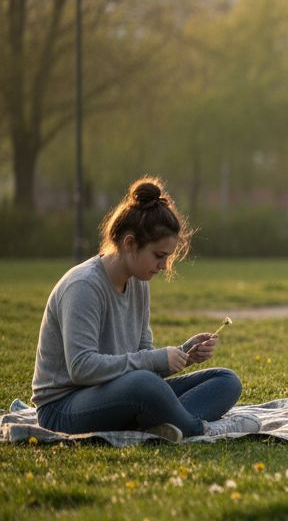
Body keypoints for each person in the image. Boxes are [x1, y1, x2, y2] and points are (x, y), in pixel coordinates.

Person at [31, 177, 256, 442]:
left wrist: (185, 354)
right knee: (145, 385)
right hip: (63, 408)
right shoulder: (83, 286)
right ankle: (199, 429)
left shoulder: (139, 283)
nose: (164, 266)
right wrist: (155, 360)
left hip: (121, 392)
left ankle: (161, 425)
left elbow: (144, 358)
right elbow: (81, 367)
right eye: (159, 256)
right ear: (129, 244)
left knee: (226, 381)